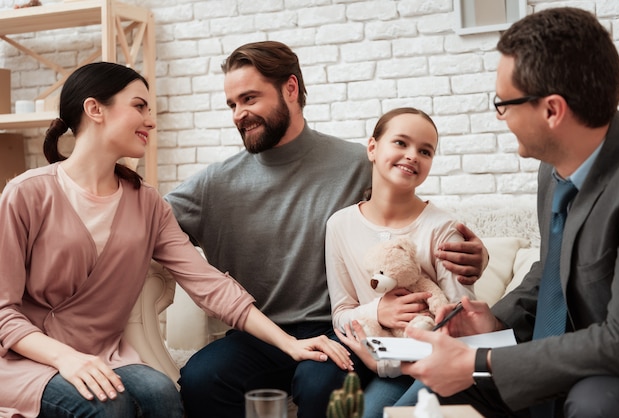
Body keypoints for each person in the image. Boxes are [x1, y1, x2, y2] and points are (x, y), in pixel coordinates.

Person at [0, 61, 353, 418]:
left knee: (162, 394)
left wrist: (288, 343)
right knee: (110, 407)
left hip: (102, 356)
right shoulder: (26, 194)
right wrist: (65, 358)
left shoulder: (146, 204)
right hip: (24, 357)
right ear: (95, 110)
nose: (151, 120)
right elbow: (3, 313)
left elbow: (208, 283)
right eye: (139, 106)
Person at [166, 40, 489, 418]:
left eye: (249, 99)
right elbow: (145, 223)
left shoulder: (358, 162)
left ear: (290, 88)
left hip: (341, 329)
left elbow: (412, 222)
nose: (239, 114)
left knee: (320, 383)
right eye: (232, 104)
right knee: (202, 377)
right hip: (260, 334)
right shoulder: (213, 185)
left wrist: (477, 254)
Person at [400, 7, 619, 418]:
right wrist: (495, 323)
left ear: (552, 111)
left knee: (595, 403)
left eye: (503, 104)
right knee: (425, 398)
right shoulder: (553, 166)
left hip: (610, 369)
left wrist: (478, 363)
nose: (500, 117)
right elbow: (553, 269)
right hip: (557, 354)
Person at [327, 107, 476, 417]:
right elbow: (341, 313)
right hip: (382, 360)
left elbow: (462, 323)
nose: (412, 156)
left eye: (425, 151)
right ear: (372, 148)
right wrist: (377, 312)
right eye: (401, 143)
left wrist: (384, 362)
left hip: (433, 363)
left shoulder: (443, 228)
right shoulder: (339, 226)